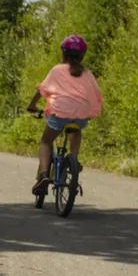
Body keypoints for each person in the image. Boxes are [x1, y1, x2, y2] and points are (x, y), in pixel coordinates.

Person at [31, 35, 104, 199]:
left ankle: (43, 176)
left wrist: (32, 106)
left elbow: (42, 90)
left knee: (46, 142)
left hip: (59, 113)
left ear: (64, 54)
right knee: (76, 129)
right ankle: (73, 160)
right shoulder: (87, 74)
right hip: (81, 114)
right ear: (82, 56)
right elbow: (97, 95)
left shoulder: (57, 70)